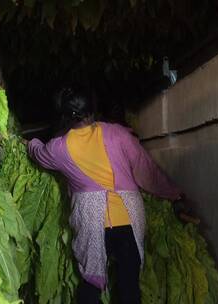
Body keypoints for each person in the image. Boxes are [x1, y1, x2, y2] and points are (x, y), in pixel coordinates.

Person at [26, 86, 183, 304]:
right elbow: (146, 171)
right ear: (92, 111)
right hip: (128, 215)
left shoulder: (58, 148)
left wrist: (31, 143)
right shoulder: (117, 133)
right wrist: (173, 194)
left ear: (65, 115)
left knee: (91, 282)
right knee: (129, 283)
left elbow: (38, 154)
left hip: (91, 220)